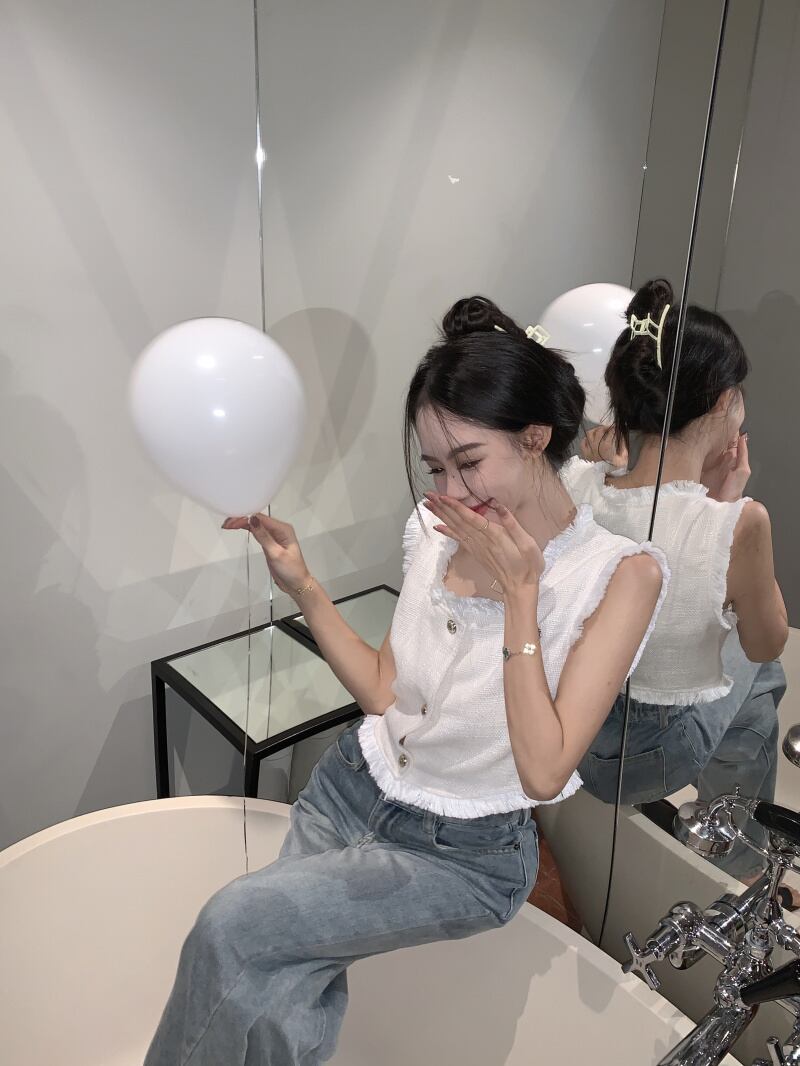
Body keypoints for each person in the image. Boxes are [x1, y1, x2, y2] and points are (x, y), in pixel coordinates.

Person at [144, 296, 667, 1066]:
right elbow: (385, 692)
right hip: (350, 789)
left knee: (233, 927)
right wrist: (304, 586)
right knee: (282, 996)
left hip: (463, 855)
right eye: (435, 468)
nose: (448, 491)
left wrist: (521, 596)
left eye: (468, 462)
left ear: (534, 438)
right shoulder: (432, 532)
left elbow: (545, 770)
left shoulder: (620, 576)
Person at [562, 278, 788, 885]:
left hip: (575, 736)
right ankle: (740, 858)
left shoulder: (576, 482)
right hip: (652, 758)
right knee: (765, 672)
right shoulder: (740, 522)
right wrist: (728, 505)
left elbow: (621, 492)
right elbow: (766, 641)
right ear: (722, 403)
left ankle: (731, 837)